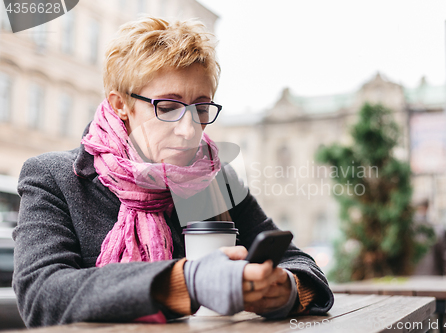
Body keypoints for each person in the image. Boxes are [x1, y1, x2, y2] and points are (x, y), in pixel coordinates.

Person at [12, 16, 334, 328]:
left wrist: (282, 290)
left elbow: (302, 265)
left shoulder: (214, 180)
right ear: (121, 104)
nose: (188, 129)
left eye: (202, 108)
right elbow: (41, 296)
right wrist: (186, 282)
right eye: (167, 108)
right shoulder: (54, 177)